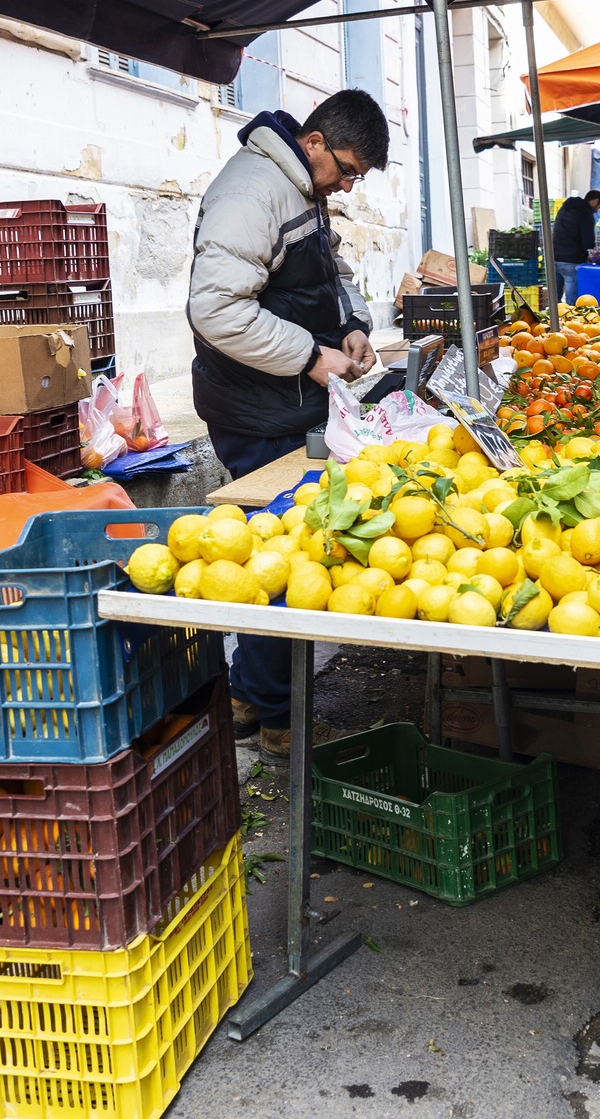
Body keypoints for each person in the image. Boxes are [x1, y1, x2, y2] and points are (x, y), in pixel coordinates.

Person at [188, 89, 386, 758]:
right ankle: (277, 719)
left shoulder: (300, 186)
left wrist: (352, 327)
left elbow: (331, 271)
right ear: (314, 142)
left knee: (285, 549)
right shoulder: (253, 190)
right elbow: (215, 310)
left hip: (288, 400)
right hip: (255, 407)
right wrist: (309, 354)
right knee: (282, 561)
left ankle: (249, 693)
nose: (349, 185)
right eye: (349, 170)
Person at [552, 189, 600, 304]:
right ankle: (570, 321)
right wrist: (589, 254)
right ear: (595, 201)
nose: (597, 210)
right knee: (572, 300)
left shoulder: (565, 208)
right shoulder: (585, 213)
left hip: (554, 257)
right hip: (571, 261)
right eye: (599, 206)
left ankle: (553, 320)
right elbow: (588, 241)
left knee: (554, 299)